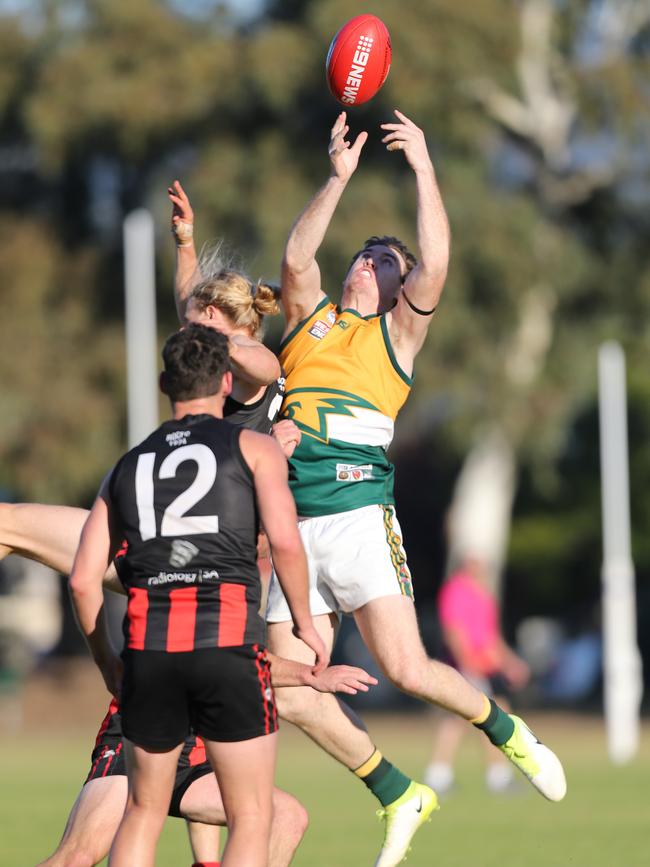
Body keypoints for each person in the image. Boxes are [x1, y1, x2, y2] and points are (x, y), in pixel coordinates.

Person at [263, 109, 567, 867]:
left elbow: (436, 258)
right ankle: (398, 790)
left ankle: (508, 732)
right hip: (293, 528)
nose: (369, 262)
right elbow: (297, 258)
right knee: (287, 686)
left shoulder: (396, 337)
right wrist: (337, 180)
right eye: (363, 256)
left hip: (360, 517)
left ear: (403, 289)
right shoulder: (312, 327)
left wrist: (426, 166)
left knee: (406, 666)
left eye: (384, 261)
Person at [69, 323, 329, 867]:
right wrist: (304, 623)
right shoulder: (255, 447)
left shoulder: (127, 465)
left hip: (150, 651)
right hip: (228, 647)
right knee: (253, 817)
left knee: (142, 811)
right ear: (228, 380)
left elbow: (82, 578)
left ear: (166, 382)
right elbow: (283, 540)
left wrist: (108, 662)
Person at [38, 655, 375, 867]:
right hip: (142, 738)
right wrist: (309, 675)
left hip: (194, 752)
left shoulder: (232, 577)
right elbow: (235, 660)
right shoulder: (172, 567)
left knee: (286, 817)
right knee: (79, 857)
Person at [424, 556, 531, 796]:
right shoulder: (456, 591)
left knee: (461, 719)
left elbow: (491, 637)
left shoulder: (482, 594)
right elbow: (454, 632)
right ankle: (496, 776)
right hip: (468, 667)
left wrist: (510, 663)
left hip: (484, 667)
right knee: (491, 717)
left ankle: (440, 774)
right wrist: (467, 666)